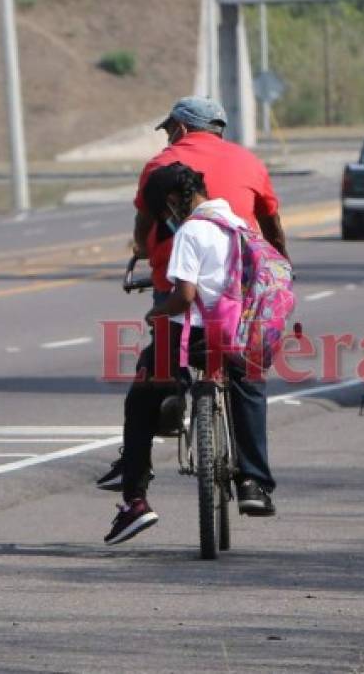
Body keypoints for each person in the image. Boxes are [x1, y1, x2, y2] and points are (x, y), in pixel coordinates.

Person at [96, 96, 288, 492]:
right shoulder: (249, 162)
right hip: (237, 298)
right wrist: (281, 265)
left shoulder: (160, 167)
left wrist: (142, 251)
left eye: (168, 130)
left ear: (181, 129)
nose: (167, 139)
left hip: (177, 287)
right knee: (248, 377)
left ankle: (154, 431)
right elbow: (272, 226)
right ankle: (254, 482)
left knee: (158, 368)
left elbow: (143, 222)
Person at [105, 163, 278, 545]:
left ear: (171, 202)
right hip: (239, 333)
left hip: (194, 333)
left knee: (141, 395)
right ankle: (252, 482)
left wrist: (156, 311)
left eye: (163, 212)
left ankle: (134, 497)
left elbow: (184, 296)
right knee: (248, 387)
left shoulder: (190, 231)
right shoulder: (239, 226)